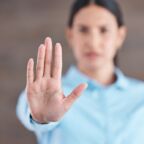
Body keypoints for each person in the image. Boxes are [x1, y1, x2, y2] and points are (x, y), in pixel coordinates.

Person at [16, 0, 144, 144]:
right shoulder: (46, 94)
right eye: (83, 30)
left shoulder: (141, 96)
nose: (93, 42)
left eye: (104, 30)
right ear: (70, 35)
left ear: (120, 36)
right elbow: (29, 110)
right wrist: (41, 118)